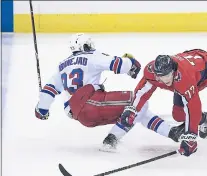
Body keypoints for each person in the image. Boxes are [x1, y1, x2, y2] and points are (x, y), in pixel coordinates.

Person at [104, 26, 207, 156]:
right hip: (191, 66)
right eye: (160, 77)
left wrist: (191, 135)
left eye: (167, 76)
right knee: (178, 115)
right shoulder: (152, 73)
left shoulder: (183, 78)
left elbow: (193, 105)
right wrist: (133, 110)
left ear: (173, 71)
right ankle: (206, 118)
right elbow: (142, 91)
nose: (163, 80)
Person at [35, 33, 185, 148]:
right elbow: (121, 65)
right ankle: (112, 139)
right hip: (91, 103)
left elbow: (48, 91)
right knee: (137, 103)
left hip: (79, 115)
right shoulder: (91, 56)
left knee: (135, 113)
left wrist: (41, 110)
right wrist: (130, 61)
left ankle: (171, 132)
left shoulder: (62, 66)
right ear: (85, 46)